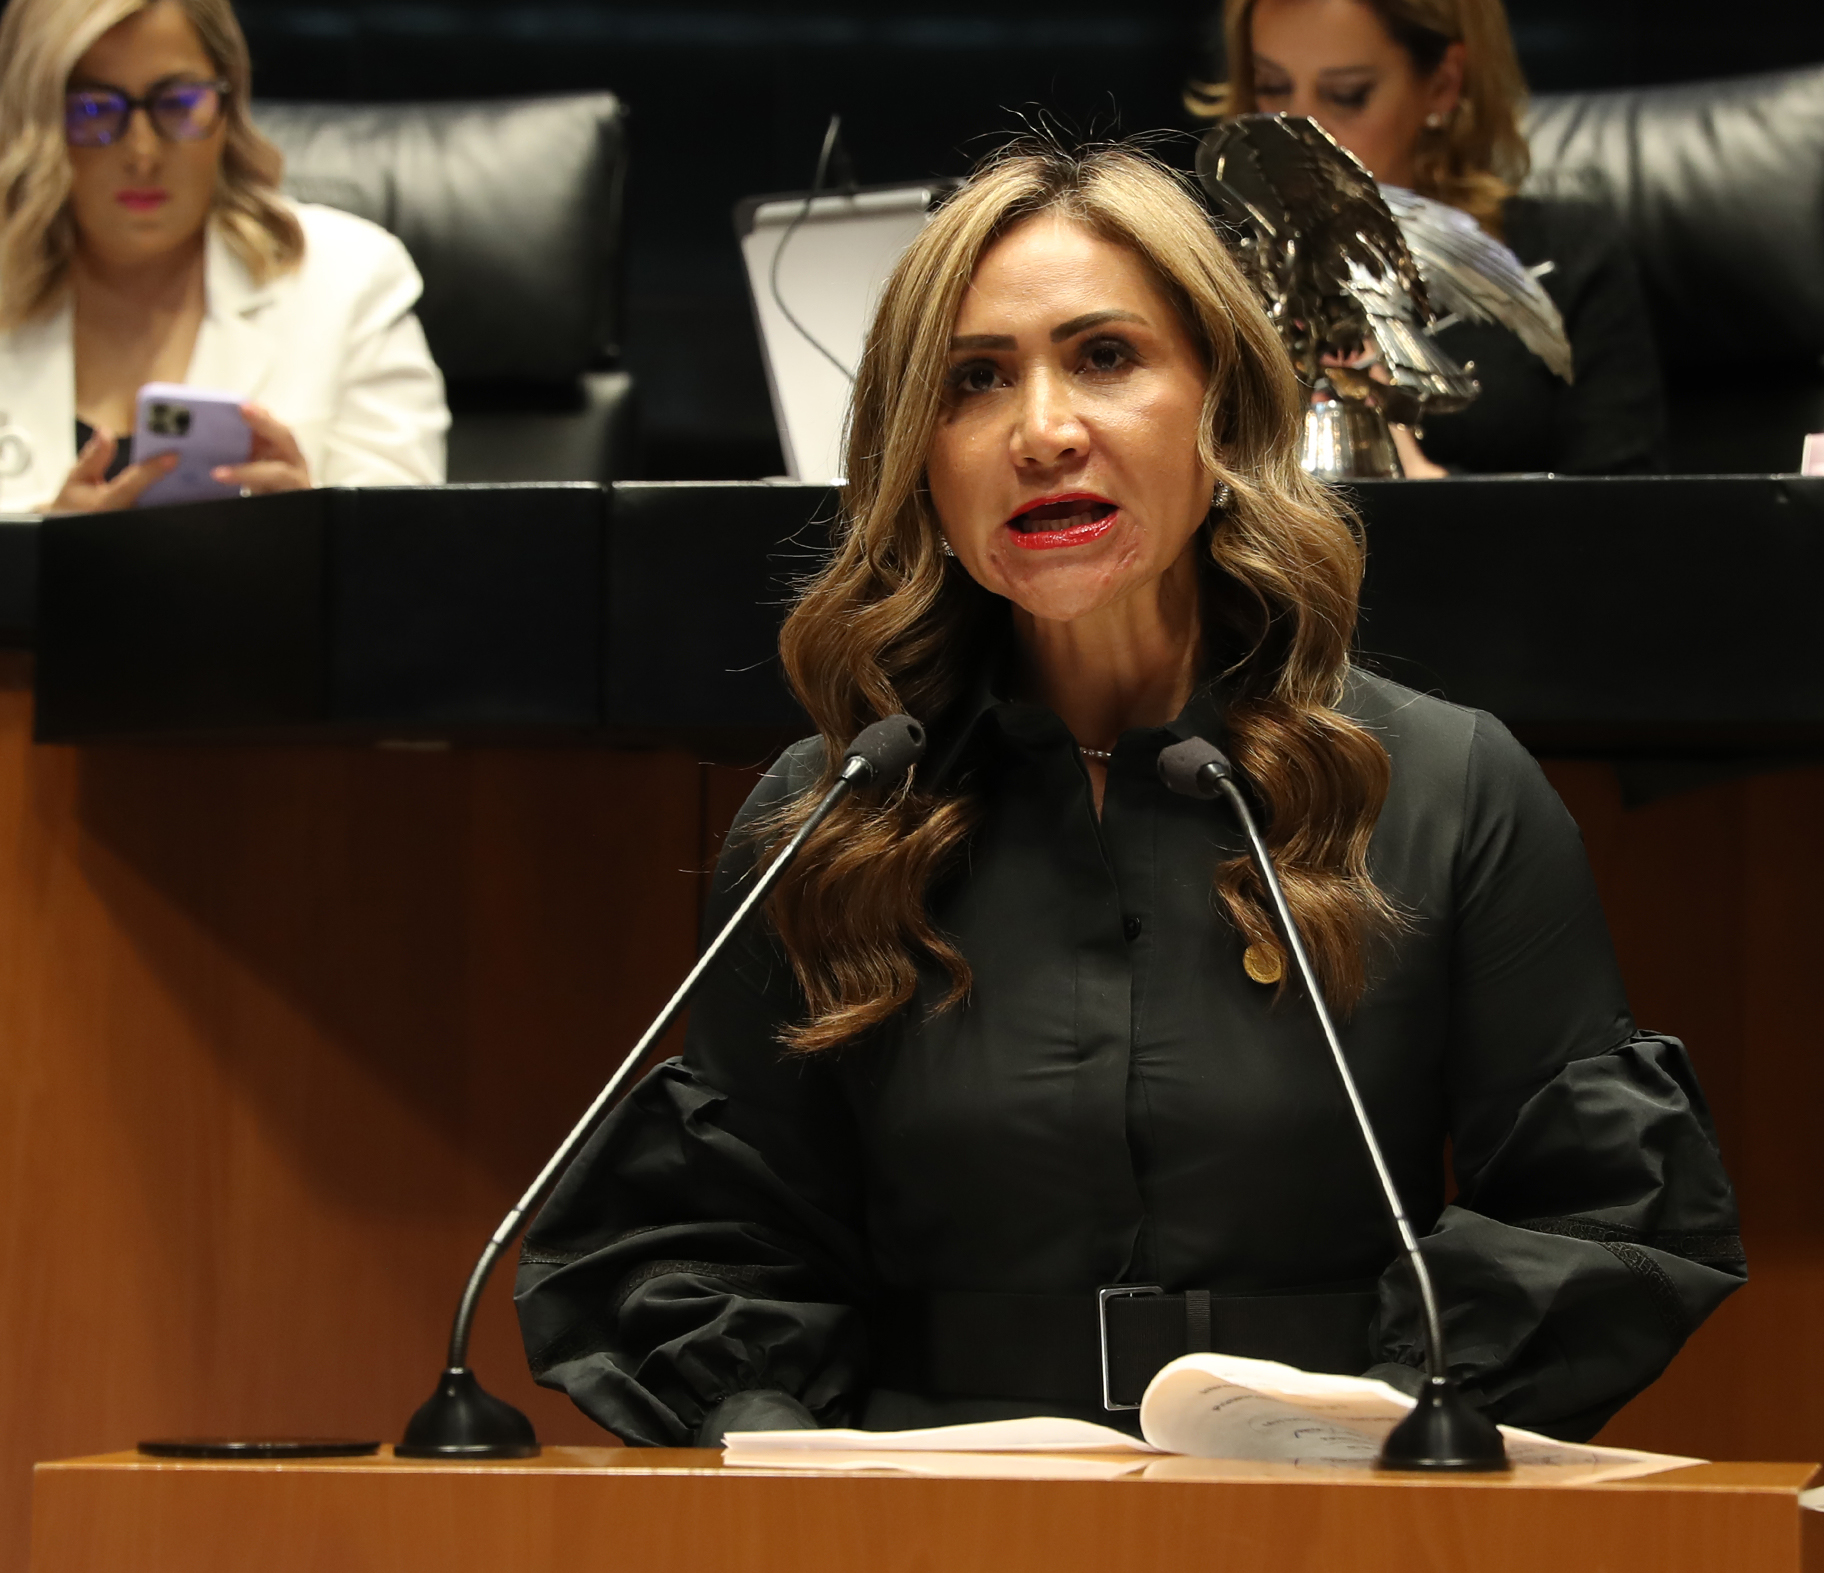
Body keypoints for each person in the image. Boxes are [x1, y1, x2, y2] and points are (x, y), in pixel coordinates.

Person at [515, 143, 1740, 1446]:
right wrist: (798, 1465)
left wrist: (1389, 1422)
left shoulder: (1446, 786)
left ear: (1223, 406)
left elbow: (1593, 1210)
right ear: (917, 456)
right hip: (922, 1503)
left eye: (1104, 356)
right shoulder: (831, 814)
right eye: (974, 379)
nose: (1042, 431)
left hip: (1336, 1492)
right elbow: (711, 1240)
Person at [0, 0, 447, 514]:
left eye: (177, 103)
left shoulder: (349, 280)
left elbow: (408, 550)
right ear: (35, 121)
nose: (142, 153)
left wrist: (313, 534)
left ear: (228, 106)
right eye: (93, 110)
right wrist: (42, 547)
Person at [1193, 0, 1666, 476]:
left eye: (1346, 95)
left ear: (1443, 84)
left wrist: (1422, 482)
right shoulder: (1216, 259)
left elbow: (1623, 512)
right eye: (1272, 87)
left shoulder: (1566, 254)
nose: (1293, 133)